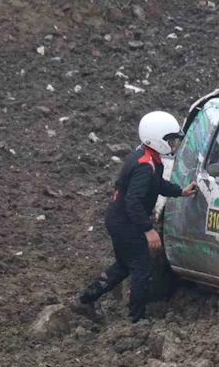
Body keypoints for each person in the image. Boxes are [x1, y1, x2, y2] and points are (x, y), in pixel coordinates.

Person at [69, 111, 196, 323]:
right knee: (141, 267)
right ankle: (137, 320)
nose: (174, 144)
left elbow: (157, 185)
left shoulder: (146, 158)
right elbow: (134, 202)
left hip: (119, 219)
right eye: (170, 139)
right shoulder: (146, 166)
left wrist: (180, 191)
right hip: (126, 222)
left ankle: (84, 300)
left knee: (124, 265)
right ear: (156, 139)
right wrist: (148, 230)